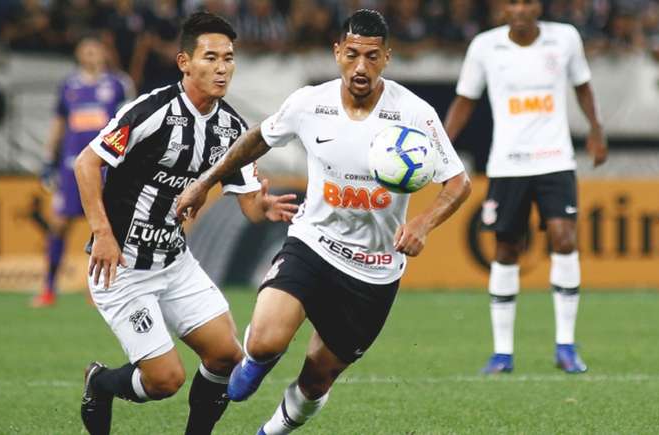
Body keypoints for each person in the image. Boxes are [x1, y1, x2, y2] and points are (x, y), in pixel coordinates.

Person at [177, 9, 471, 434]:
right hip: (313, 245)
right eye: (352, 55)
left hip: (372, 270)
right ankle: (257, 361)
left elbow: (458, 183)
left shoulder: (413, 113)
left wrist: (423, 223)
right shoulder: (310, 102)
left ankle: (270, 432)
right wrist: (206, 182)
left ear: (387, 57)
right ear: (337, 53)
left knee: (317, 379)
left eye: (372, 57)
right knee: (263, 341)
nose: (361, 67)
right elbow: (257, 137)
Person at [73, 12, 297, 434]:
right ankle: (100, 382)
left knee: (227, 358)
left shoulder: (231, 128)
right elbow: (87, 164)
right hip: (122, 269)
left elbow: (247, 202)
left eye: (228, 58)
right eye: (210, 57)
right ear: (184, 62)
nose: (222, 67)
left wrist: (262, 206)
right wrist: (103, 233)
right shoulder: (150, 110)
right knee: (165, 380)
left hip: (175, 264)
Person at [444, 0, 607, 374]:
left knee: (565, 239)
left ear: (539, 6)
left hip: (556, 159)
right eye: (511, 2)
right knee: (505, 248)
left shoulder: (565, 39)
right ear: (501, 8)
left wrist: (596, 129)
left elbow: (583, 87)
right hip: (508, 163)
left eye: (527, 1)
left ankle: (565, 345)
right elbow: (465, 101)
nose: (520, 9)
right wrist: (443, 145)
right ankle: (503, 353)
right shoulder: (484, 46)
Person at [31, 35, 130, 308]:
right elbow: (59, 124)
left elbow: (128, 124)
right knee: (59, 223)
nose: (91, 55)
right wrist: (48, 159)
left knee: (102, 225)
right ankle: (49, 288)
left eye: (95, 51)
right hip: (70, 165)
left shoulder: (117, 85)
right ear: (79, 55)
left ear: (104, 54)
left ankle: (98, 291)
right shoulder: (69, 86)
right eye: (86, 51)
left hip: (104, 165)